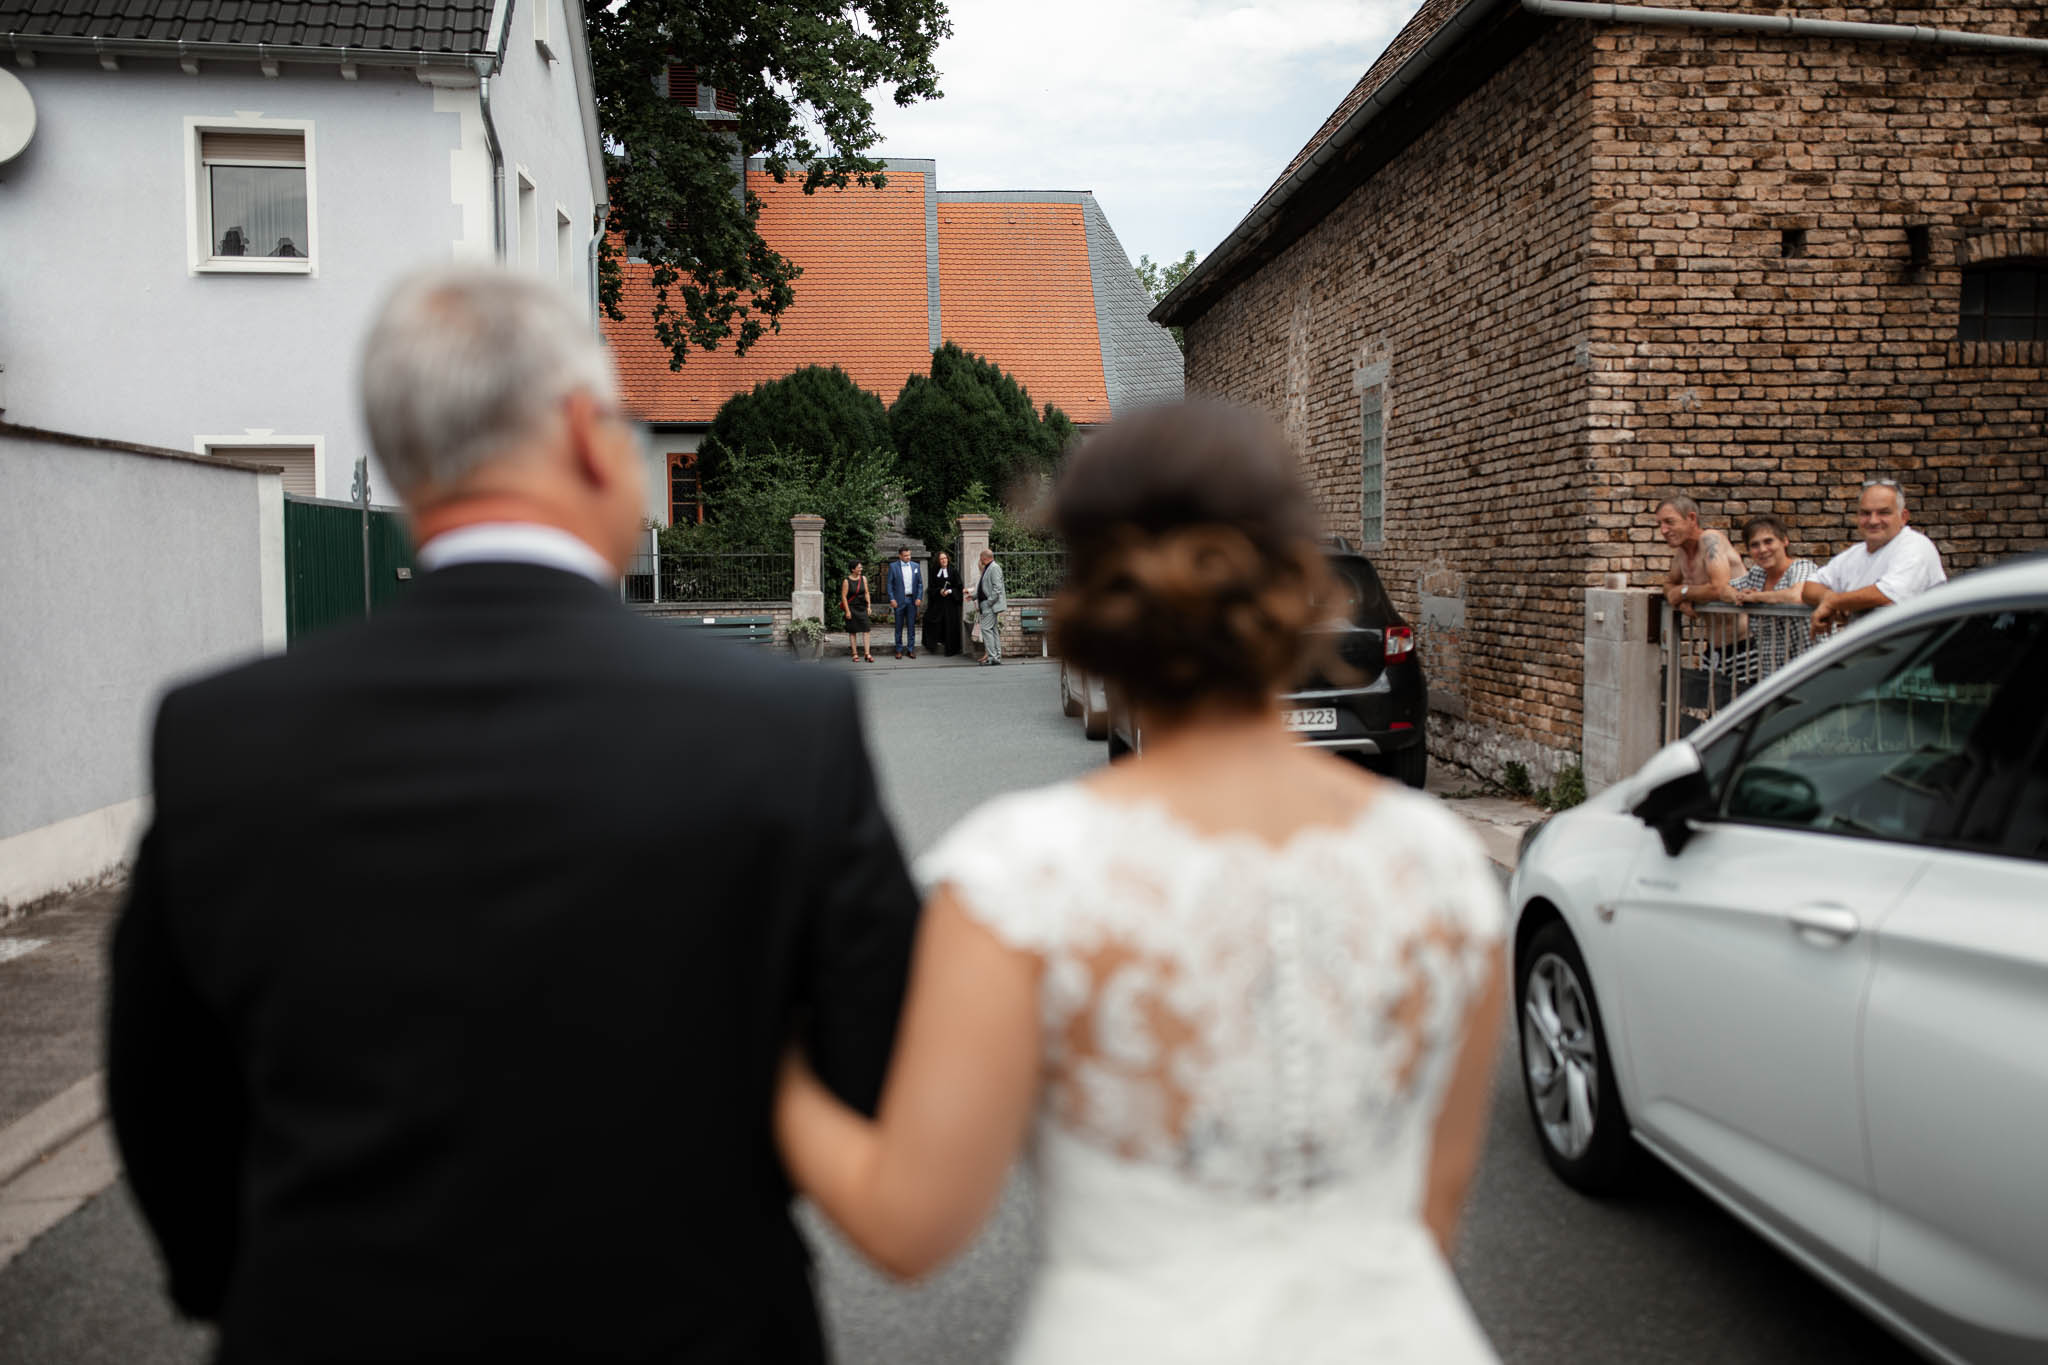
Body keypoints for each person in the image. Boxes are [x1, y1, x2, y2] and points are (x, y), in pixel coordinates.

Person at [106, 266, 918, 1365]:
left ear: (405, 465)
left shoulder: (220, 735)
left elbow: (164, 1092)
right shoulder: (785, 723)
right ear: (588, 436)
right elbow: (875, 1062)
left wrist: (245, 1286)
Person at [776, 401, 1506, 1364]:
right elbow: (1428, 1216)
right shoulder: (1441, 862)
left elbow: (911, 1226)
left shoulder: (1019, 875)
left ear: (1091, 601)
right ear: (1297, 585)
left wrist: (772, 1067)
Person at [1802, 478, 1948, 634]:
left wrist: (1836, 602)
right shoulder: (1854, 554)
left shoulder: (1916, 546)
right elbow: (1809, 587)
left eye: (1883, 512)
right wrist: (1830, 598)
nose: (1873, 520)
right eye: (1865, 513)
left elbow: (1886, 594)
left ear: (1903, 517)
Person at [1726, 514, 1818, 679]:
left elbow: (1798, 596)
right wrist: (1685, 594)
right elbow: (1724, 589)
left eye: (1768, 541)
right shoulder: (1757, 574)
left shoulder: (1802, 567)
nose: (1762, 550)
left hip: (1812, 671)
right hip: (1773, 678)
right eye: (1755, 545)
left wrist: (1757, 597)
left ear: (1784, 541)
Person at [1656, 494, 1743, 614]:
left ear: (1691, 518)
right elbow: (1668, 585)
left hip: (1749, 632)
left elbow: (1719, 588)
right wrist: (1681, 599)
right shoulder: (1682, 553)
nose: (1663, 530)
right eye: (1659, 524)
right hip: (1716, 632)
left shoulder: (1710, 539)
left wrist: (1683, 591)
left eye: (1669, 522)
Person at [923, 550, 963, 657]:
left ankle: (951, 649)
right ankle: (932, 644)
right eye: (941, 559)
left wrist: (949, 591)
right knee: (928, 618)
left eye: (945, 558)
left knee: (950, 624)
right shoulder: (934, 572)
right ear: (938, 561)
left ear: (948, 559)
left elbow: (959, 588)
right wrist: (939, 591)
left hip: (950, 603)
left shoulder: (953, 571)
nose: (944, 560)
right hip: (938, 602)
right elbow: (930, 589)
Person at [887, 544, 923, 659]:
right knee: (898, 626)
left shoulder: (915, 566)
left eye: (909, 555)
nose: (908, 557)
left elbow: (920, 584)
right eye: (906, 555)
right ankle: (898, 649)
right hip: (899, 600)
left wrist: (919, 597)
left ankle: (911, 649)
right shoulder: (893, 566)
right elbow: (889, 584)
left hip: (912, 600)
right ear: (900, 556)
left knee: (911, 626)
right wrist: (892, 598)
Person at [972, 548, 1007, 666]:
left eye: (981, 558)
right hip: (987, 604)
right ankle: (996, 656)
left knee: (986, 629)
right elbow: (984, 587)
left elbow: (997, 589)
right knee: (993, 630)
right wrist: (973, 596)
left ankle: (993, 657)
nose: (980, 560)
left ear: (985, 558)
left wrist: (989, 602)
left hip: (988, 605)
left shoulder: (994, 568)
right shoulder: (988, 568)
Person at [842, 559, 876, 662]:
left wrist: (869, 606)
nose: (861, 569)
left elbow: (866, 592)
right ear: (853, 569)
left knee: (866, 630)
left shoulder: (863, 579)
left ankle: (867, 653)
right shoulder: (846, 581)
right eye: (859, 567)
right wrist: (847, 611)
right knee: (853, 631)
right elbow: (844, 597)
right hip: (852, 607)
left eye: (861, 567)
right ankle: (855, 654)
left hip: (862, 607)